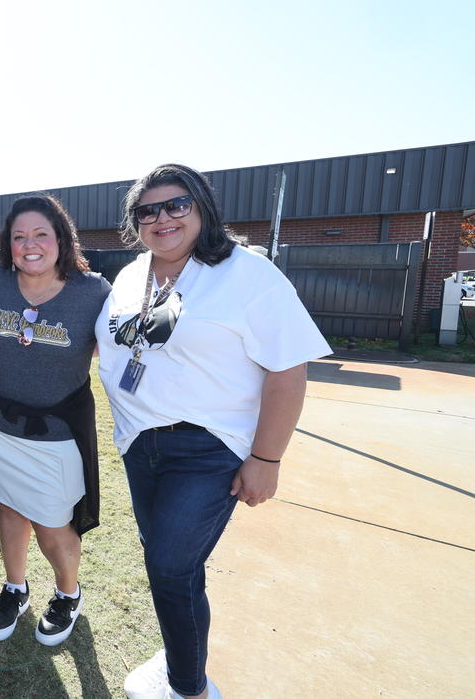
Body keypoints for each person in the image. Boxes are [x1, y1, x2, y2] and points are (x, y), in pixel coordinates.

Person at [95, 164, 330, 699]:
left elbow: (288, 368)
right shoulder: (133, 276)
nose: (163, 218)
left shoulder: (247, 274)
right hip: (140, 444)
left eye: (177, 204)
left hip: (209, 447)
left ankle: (188, 687)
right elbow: (119, 344)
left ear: (202, 207)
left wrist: (266, 460)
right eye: (147, 210)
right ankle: (182, 655)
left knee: (170, 566)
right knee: (176, 566)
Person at [0, 194, 111, 647]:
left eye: (41, 234)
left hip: (57, 434)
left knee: (51, 522)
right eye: (19, 236)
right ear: (8, 244)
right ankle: (15, 588)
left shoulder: (95, 292)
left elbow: (125, 356)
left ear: (61, 239)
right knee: (9, 508)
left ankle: (68, 593)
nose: (30, 244)